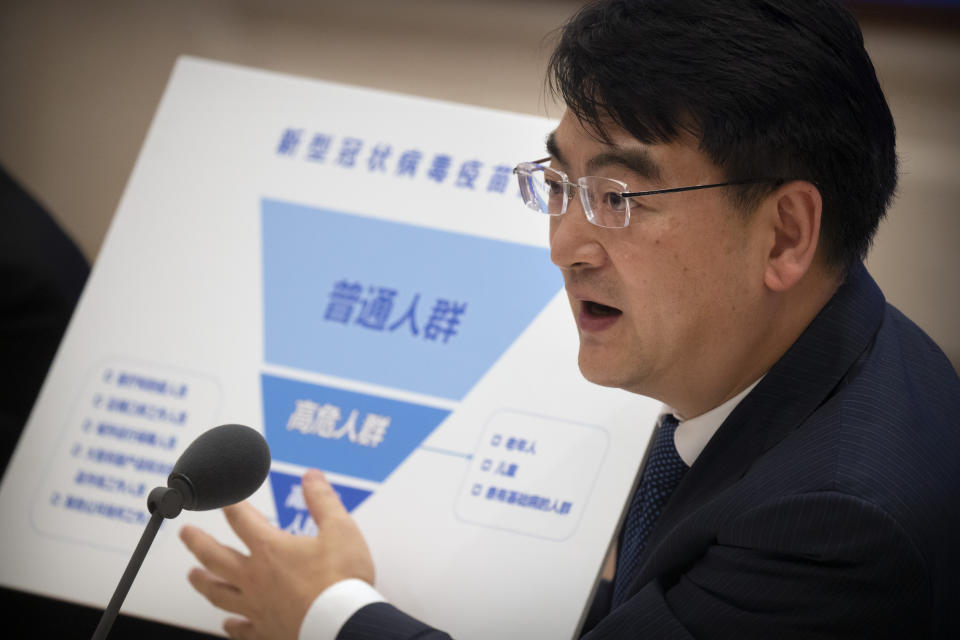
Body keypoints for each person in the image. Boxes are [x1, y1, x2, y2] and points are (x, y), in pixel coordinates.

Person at [179, 0, 960, 638]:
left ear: (785, 233)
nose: (564, 245)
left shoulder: (833, 529)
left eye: (617, 198)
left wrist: (327, 614)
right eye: (559, 181)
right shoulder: (847, 342)